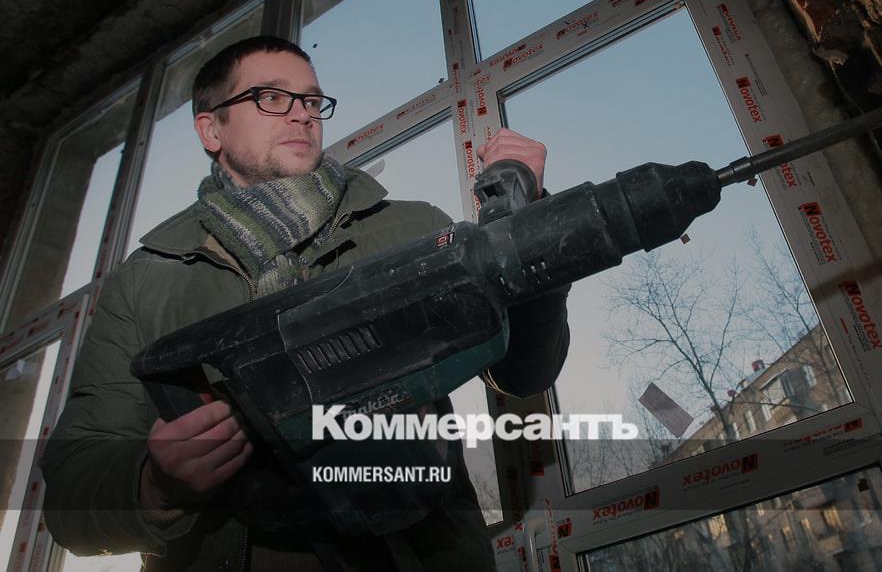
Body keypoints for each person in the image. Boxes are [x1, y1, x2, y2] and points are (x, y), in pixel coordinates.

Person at [40, 35, 570, 571]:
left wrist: (527, 230)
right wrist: (156, 484)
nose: (302, 114)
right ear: (211, 129)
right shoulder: (145, 282)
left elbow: (524, 370)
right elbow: (69, 495)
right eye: (271, 97)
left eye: (311, 100)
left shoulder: (412, 230)